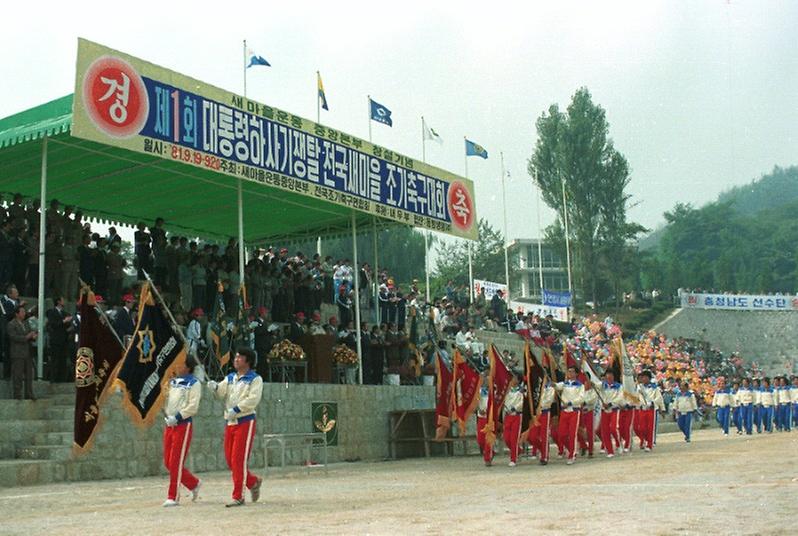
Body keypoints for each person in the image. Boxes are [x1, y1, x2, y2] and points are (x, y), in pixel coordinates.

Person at [207, 347, 264, 507]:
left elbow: (253, 399)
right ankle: (253, 482)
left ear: (248, 361)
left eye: (240, 358)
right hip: (230, 422)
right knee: (230, 460)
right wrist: (215, 388)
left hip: (245, 421)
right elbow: (220, 393)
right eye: (236, 357)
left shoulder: (255, 379)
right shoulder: (231, 378)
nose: (236, 359)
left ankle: (238, 495)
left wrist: (237, 409)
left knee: (238, 460)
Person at [162, 356, 202, 507]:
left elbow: (193, 406)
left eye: (180, 364)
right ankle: (193, 483)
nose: (177, 366)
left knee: (176, 462)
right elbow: (166, 399)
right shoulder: (172, 382)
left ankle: (173, 496)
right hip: (169, 424)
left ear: (188, 367)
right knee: (168, 462)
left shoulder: (194, 383)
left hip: (183, 425)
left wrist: (178, 416)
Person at [554, 365, 584, 465]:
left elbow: (581, 398)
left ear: (576, 373)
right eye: (568, 371)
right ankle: (570, 448)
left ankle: (572, 454)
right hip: (564, 411)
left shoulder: (580, 385)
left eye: (572, 372)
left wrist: (571, 402)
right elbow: (557, 386)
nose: (570, 373)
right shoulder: (564, 384)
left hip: (574, 411)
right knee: (561, 434)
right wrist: (552, 383)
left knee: (572, 434)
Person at [8, 305, 37, 400]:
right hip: (17, 353)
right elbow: (13, 337)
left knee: (29, 374)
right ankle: (17, 394)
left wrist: (33, 336)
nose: (24, 314)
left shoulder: (25, 323)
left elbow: (29, 334)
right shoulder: (11, 324)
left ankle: (29, 393)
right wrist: (26, 337)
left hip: (27, 352)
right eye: (22, 312)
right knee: (18, 374)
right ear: (17, 314)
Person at [528, 376, 556, 465]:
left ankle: (544, 456)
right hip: (536, 415)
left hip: (545, 412)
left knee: (544, 436)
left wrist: (540, 405)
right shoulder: (536, 388)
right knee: (532, 436)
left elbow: (549, 401)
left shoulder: (550, 389)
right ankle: (543, 449)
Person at [46, 297, 73, 383]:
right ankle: (53, 378)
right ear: (58, 302)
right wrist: (63, 321)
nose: (64, 301)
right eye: (62, 300)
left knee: (63, 360)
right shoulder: (52, 312)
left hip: (64, 339)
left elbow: (68, 325)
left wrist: (69, 325)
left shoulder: (65, 313)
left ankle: (61, 379)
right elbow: (53, 324)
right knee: (55, 360)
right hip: (55, 340)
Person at [636, 370, 665, 451]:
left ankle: (649, 444)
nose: (643, 379)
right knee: (641, 428)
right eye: (642, 377)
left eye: (645, 377)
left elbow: (659, 398)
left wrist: (654, 404)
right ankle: (643, 440)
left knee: (650, 428)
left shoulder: (654, 388)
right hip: (642, 409)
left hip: (651, 409)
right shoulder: (639, 387)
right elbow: (637, 398)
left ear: (649, 378)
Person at [599, 370, 623, 458]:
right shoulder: (601, 386)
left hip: (614, 409)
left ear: (613, 377)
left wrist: (610, 404)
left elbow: (620, 398)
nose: (609, 378)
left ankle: (618, 443)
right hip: (604, 410)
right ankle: (610, 451)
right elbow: (595, 389)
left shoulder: (619, 386)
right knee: (605, 431)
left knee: (613, 428)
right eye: (607, 376)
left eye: (611, 376)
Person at [502, 374, 524, 467]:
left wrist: (516, 408)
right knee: (506, 438)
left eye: (514, 378)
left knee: (514, 438)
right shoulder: (507, 390)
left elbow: (523, 402)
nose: (512, 379)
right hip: (508, 415)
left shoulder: (521, 390)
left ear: (518, 380)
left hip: (517, 415)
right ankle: (518, 451)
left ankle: (513, 458)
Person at [578, 378, 598, 458]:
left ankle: (590, 450)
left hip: (589, 411)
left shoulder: (593, 392)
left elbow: (592, 400)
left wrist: (584, 402)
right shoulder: (581, 390)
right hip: (581, 412)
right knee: (578, 430)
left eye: (588, 382)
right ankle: (583, 445)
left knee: (590, 432)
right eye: (585, 382)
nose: (586, 384)